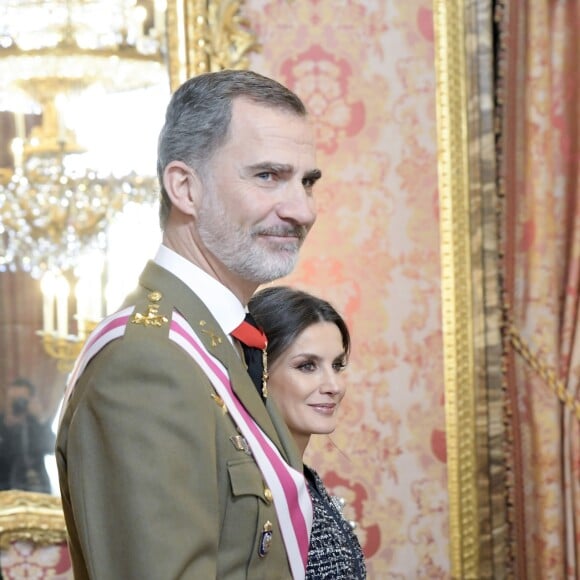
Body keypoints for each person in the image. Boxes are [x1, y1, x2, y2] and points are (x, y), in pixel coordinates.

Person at [55, 69, 322, 580]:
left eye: (306, 181)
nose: (301, 210)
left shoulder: (218, 338)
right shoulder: (147, 361)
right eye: (268, 176)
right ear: (185, 187)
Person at [249, 286, 367, 579]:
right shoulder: (254, 493)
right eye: (307, 366)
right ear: (257, 371)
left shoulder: (305, 480)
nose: (334, 385)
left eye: (338, 365)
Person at [0, 377, 55, 494]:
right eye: (13, 399)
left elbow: (52, 448)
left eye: (21, 400)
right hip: (4, 489)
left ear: (30, 401)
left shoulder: (36, 424)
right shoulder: (1, 423)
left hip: (36, 489)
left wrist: (40, 419)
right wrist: (7, 426)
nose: (17, 404)